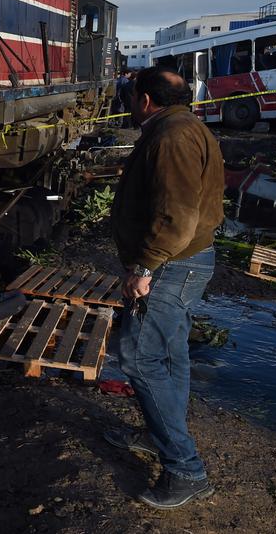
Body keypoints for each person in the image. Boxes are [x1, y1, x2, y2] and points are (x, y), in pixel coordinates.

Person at [103, 66, 225, 509]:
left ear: (145, 100)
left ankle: (185, 469)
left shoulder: (171, 138)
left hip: (173, 265)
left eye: (131, 95)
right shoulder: (184, 126)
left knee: (137, 356)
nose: (128, 102)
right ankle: (159, 437)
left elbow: (176, 216)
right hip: (187, 262)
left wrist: (144, 267)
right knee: (171, 358)